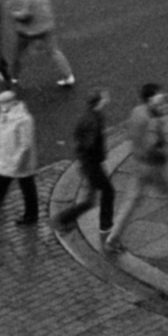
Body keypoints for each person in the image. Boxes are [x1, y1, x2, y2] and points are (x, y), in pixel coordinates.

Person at [102, 83, 168, 252]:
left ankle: (113, 238)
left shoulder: (136, 112)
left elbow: (130, 133)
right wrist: (162, 151)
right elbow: (152, 143)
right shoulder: (152, 118)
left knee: (131, 202)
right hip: (154, 166)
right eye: (159, 95)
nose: (163, 96)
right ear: (151, 98)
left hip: (138, 163)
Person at [54, 89, 114, 233]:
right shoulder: (93, 120)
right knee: (104, 193)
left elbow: (78, 136)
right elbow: (88, 144)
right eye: (104, 97)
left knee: (93, 197)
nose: (107, 98)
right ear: (99, 102)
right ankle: (62, 220)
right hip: (91, 163)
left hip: (89, 162)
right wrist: (96, 155)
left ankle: (64, 220)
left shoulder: (91, 115)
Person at [9, 0, 76, 88]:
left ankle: (14, 78)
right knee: (55, 52)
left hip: (28, 30)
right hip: (46, 27)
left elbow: (26, 14)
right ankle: (69, 76)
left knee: (17, 54)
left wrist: (15, 15)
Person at [0, 88, 39, 227]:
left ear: (10, 103)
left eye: (1, 103)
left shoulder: (24, 120)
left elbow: (25, 145)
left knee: (27, 189)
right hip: (6, 160)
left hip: (20, 162)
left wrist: (18, 163)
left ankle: (31, 216)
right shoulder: (4, 114)